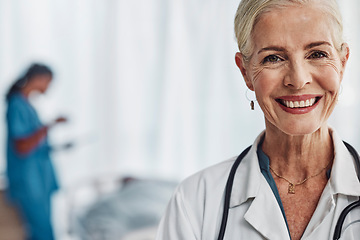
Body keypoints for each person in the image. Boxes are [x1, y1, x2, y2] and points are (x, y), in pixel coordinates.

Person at [156, 0, 360, 239]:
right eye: (273, 58)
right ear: (246, 72)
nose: (298, 79)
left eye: (317, 54)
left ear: (343, 62)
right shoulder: (194, 203)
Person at [5, 63, 69, 240]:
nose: (48, 87)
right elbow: (22, 146)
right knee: (42, 232)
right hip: (29, 181)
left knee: (45, 230)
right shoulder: (17, 105)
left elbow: (34, 145)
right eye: (48, 82)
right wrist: (49, 126)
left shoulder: (27, 105)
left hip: (40, 180)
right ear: (38, 78)